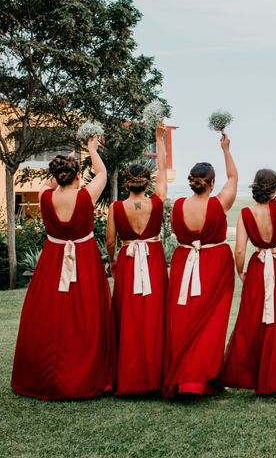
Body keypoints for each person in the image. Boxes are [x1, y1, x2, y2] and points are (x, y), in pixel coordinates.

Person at [12, 136, 115, 399]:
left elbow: (48, 182)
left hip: (53, 259)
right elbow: (102, 172)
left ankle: (47, 373)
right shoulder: (86, 195)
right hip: (83, 258)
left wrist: (65, 163)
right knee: (86, 313)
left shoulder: (45, 195)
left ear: (57, 176)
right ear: (77, 176)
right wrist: (91, 149)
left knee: (50, 313)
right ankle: (84, 372)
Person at [220, 125, 276, 394]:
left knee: (254, 320)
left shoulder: (245, 214)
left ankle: (253, 373)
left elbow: (240, 249)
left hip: (258, 268)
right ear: (274, 187)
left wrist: (242, 271)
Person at [163, 131, 238, 398]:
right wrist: (226, 149)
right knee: (212, 323)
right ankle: (202, 379)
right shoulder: (219, 204)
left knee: (182, 321)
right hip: (214, 266)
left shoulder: (178, 206)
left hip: (185, 265)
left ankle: (181, 378)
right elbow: (233, 178)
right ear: (211, 183)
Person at [106, 120, 168, 395]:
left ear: (128, 184)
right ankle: (155, 376)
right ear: (146, 182)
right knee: (154, 316)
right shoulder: (156, 202)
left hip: (129, 262)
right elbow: (164, 172)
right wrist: (160, 139)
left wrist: (113, 262)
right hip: (152, 261)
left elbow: (110, 240)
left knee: (128, 317)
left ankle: (128, 377)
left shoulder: (116, 207)